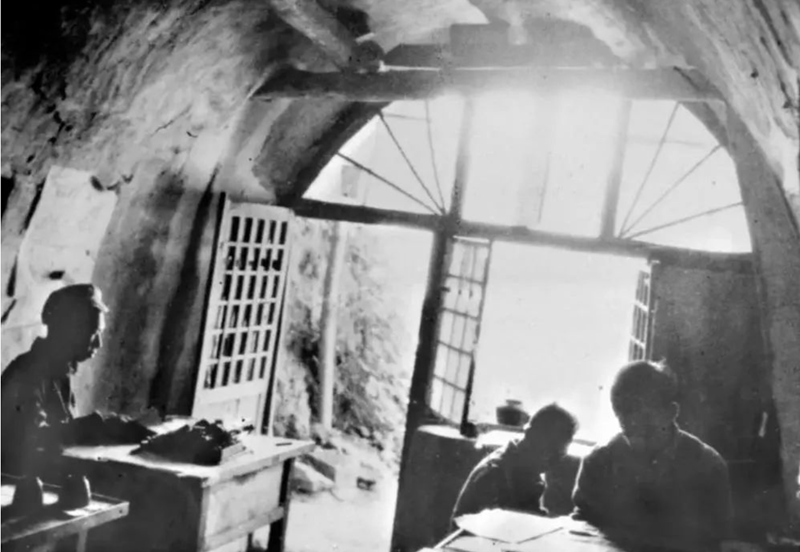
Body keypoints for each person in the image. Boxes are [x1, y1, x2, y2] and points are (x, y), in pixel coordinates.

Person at [572, 361, 734, 550]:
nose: (637, 437)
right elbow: (581, 531)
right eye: (627, 425)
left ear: (672, 412)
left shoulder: (707, 466)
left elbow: (714, 540)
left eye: (648, 427)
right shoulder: (598, 461)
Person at [1, 284, 150, 476]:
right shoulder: (28, 374)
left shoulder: (59, 372)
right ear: (69, 329)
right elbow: (34, 438)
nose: (99, 343)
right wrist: (96, 426)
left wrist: (114, 426)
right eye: (93, 333)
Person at [451, 403, 578, 523]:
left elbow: (529, 517)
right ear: (530, 435)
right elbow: (493, 529)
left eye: (560, 456)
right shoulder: (495, 472)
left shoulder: (529, 464)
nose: (553, 463)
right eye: (551, 453)